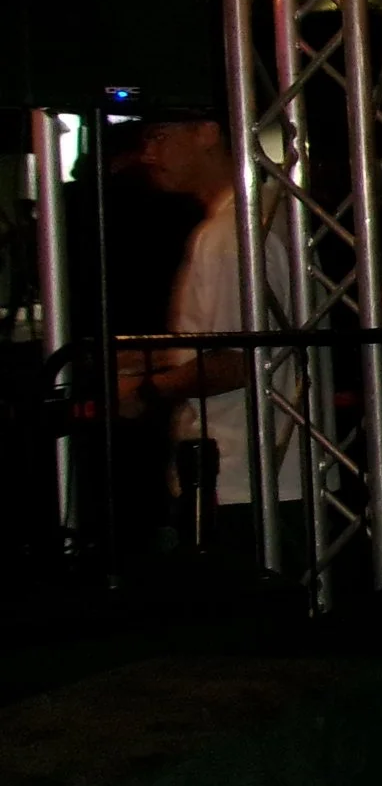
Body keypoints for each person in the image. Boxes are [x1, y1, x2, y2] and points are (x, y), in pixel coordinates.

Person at [117, 110, 304, 572]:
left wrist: (146, 389)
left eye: (159, 136)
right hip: (270, 474)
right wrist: (152, 358)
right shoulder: (264, 217)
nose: (149, 154)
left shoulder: (230, 234)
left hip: (243, 474)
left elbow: (238, 361)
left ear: (207, 133)